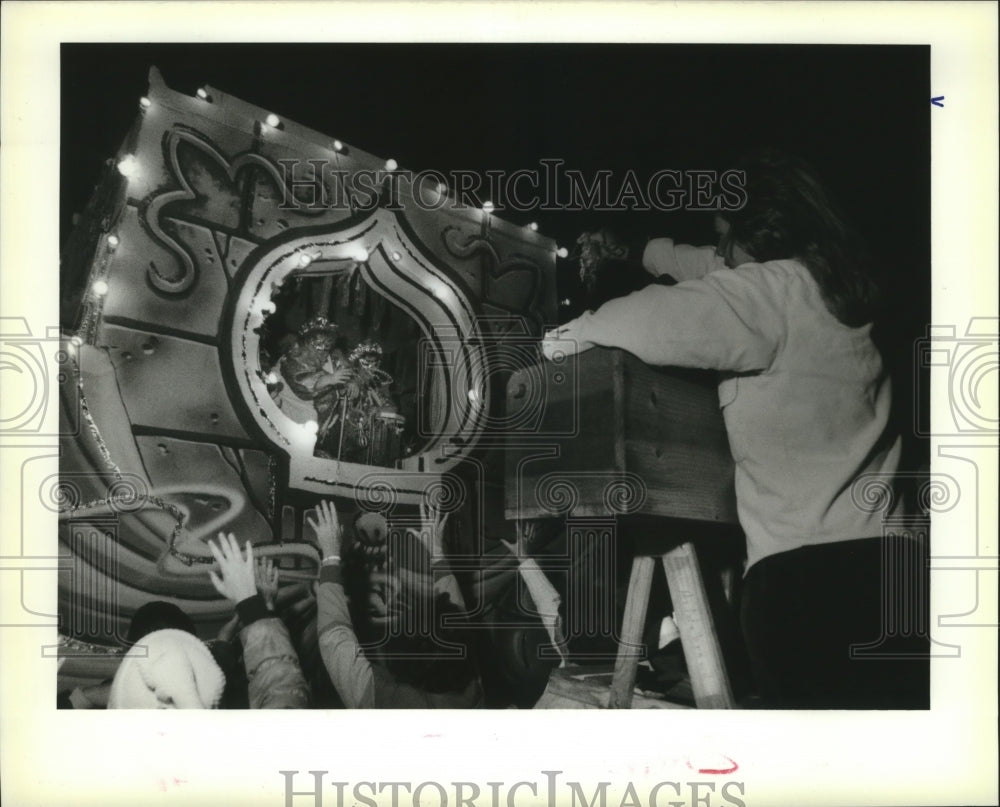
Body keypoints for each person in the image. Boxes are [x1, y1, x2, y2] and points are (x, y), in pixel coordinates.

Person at [543, 150, 927, 709]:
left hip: (808, 587)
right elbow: (710, 268)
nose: (718, 253)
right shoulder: (837, 292)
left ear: (763, 236)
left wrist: (558, 341)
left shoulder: (770, 294)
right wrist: (641, 249)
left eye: (725, 238)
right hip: (893, 571)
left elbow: (653, 316)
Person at [311, 499, 483, 708]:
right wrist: (437, 554)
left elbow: (334, 638)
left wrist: (330, 557)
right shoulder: (473, 689)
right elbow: (457, 625)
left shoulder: (382, 699)